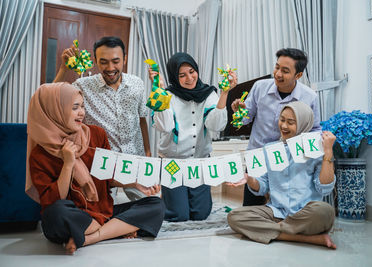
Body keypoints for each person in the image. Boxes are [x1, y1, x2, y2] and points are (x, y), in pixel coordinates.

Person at [25, 82, 165, 255]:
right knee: (56, 213)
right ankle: (113, 229)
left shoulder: (96, 134)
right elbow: (53, 200)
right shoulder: (40, 154)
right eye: (75, 107)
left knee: (156, 205)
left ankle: (90, 237)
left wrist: (134, 183)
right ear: (55, 111)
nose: (82, 113)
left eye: (83, 106)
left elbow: (107, 176)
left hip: (101, 211)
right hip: (73, 216)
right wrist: (68, 164)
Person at [227, 101, 336, 249]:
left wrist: (328, 152)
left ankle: (273, 230)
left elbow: (324, 188)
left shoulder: (316, 149)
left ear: (304, 124)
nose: (283, 126)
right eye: (282, 119)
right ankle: (305, 237)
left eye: (290, 122)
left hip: (306, 213)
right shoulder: (269, 148)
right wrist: (249, 179)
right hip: (276, 211)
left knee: (325, 212)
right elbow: (263, 186)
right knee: (234, 217)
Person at [54, 36, 150, 201]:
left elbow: (142, 119)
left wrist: (147, 152)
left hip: (135, 157)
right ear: (96, 61)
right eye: (104, 62)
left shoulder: (137, 84)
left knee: (149, 204)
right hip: (102, 162)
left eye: (116, 61)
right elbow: (50, 96)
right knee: (100, 208)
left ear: (124, 59)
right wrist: (63, 68)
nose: (110, 67)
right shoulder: (82, 85)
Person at [148, 52, 237, 222]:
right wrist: (158, 89)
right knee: (178, 215)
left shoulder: (209, 93)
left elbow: (216, 125)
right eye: (182, 75)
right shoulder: (167, 95)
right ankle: (167, 197)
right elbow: (165, 126)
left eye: (191, 71)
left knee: (200, 214)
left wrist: (225, 93)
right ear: (174, 76)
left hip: (199, 161)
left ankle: (174, 196)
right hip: (173, 162)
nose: (189, 78)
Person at [231, 48, 322, 206]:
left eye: (285, 71)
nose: (278, 74)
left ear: (298, 75)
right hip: (257, 155)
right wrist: (239, 113)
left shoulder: (309, 97)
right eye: (277, 67)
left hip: (289, 160)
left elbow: (314, 130)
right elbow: (245, 120)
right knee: (252, 206)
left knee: (284, 206)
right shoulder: (260, 87)